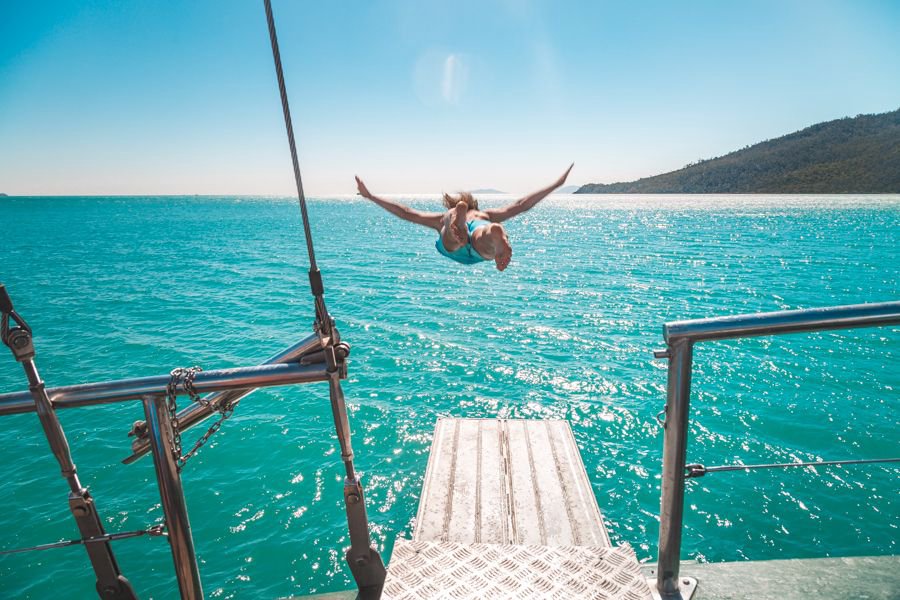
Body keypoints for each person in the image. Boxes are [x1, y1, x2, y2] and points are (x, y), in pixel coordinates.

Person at [355, 164, 573, 271]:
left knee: (450, 233)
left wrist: (371, 196)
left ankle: (456, 229)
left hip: (454, 241)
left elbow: (406, 213)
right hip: (479, 245)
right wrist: (556, 185)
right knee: (484, 232)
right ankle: (493, 236)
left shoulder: (442, 215)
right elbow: (521, 205)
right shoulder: (484, 213)